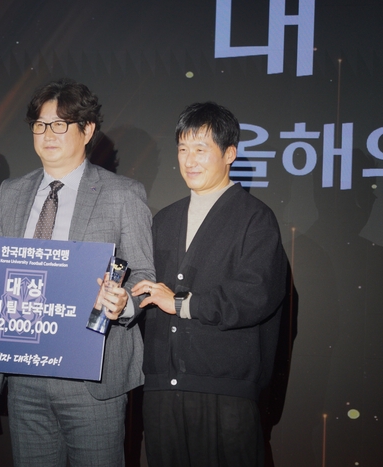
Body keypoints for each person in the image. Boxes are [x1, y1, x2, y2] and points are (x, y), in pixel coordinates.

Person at [0, 78, 154, 466]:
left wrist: (123, 304)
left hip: (91, 377)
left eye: (60, 124)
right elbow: (3, 273)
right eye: (40, 124)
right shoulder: (12, 192)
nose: (47, 134)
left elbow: (143, 277)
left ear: (87, 130)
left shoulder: (123, 194)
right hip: (25, 377)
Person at [132, 102, 287, 467]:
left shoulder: (256, 219)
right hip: (161, 390)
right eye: (183, 149)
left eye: (200, 149)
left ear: (229, 153)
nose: (189, 160)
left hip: (224, 391)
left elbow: (256, 295)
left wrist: (183, 304)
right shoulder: (164, 219)